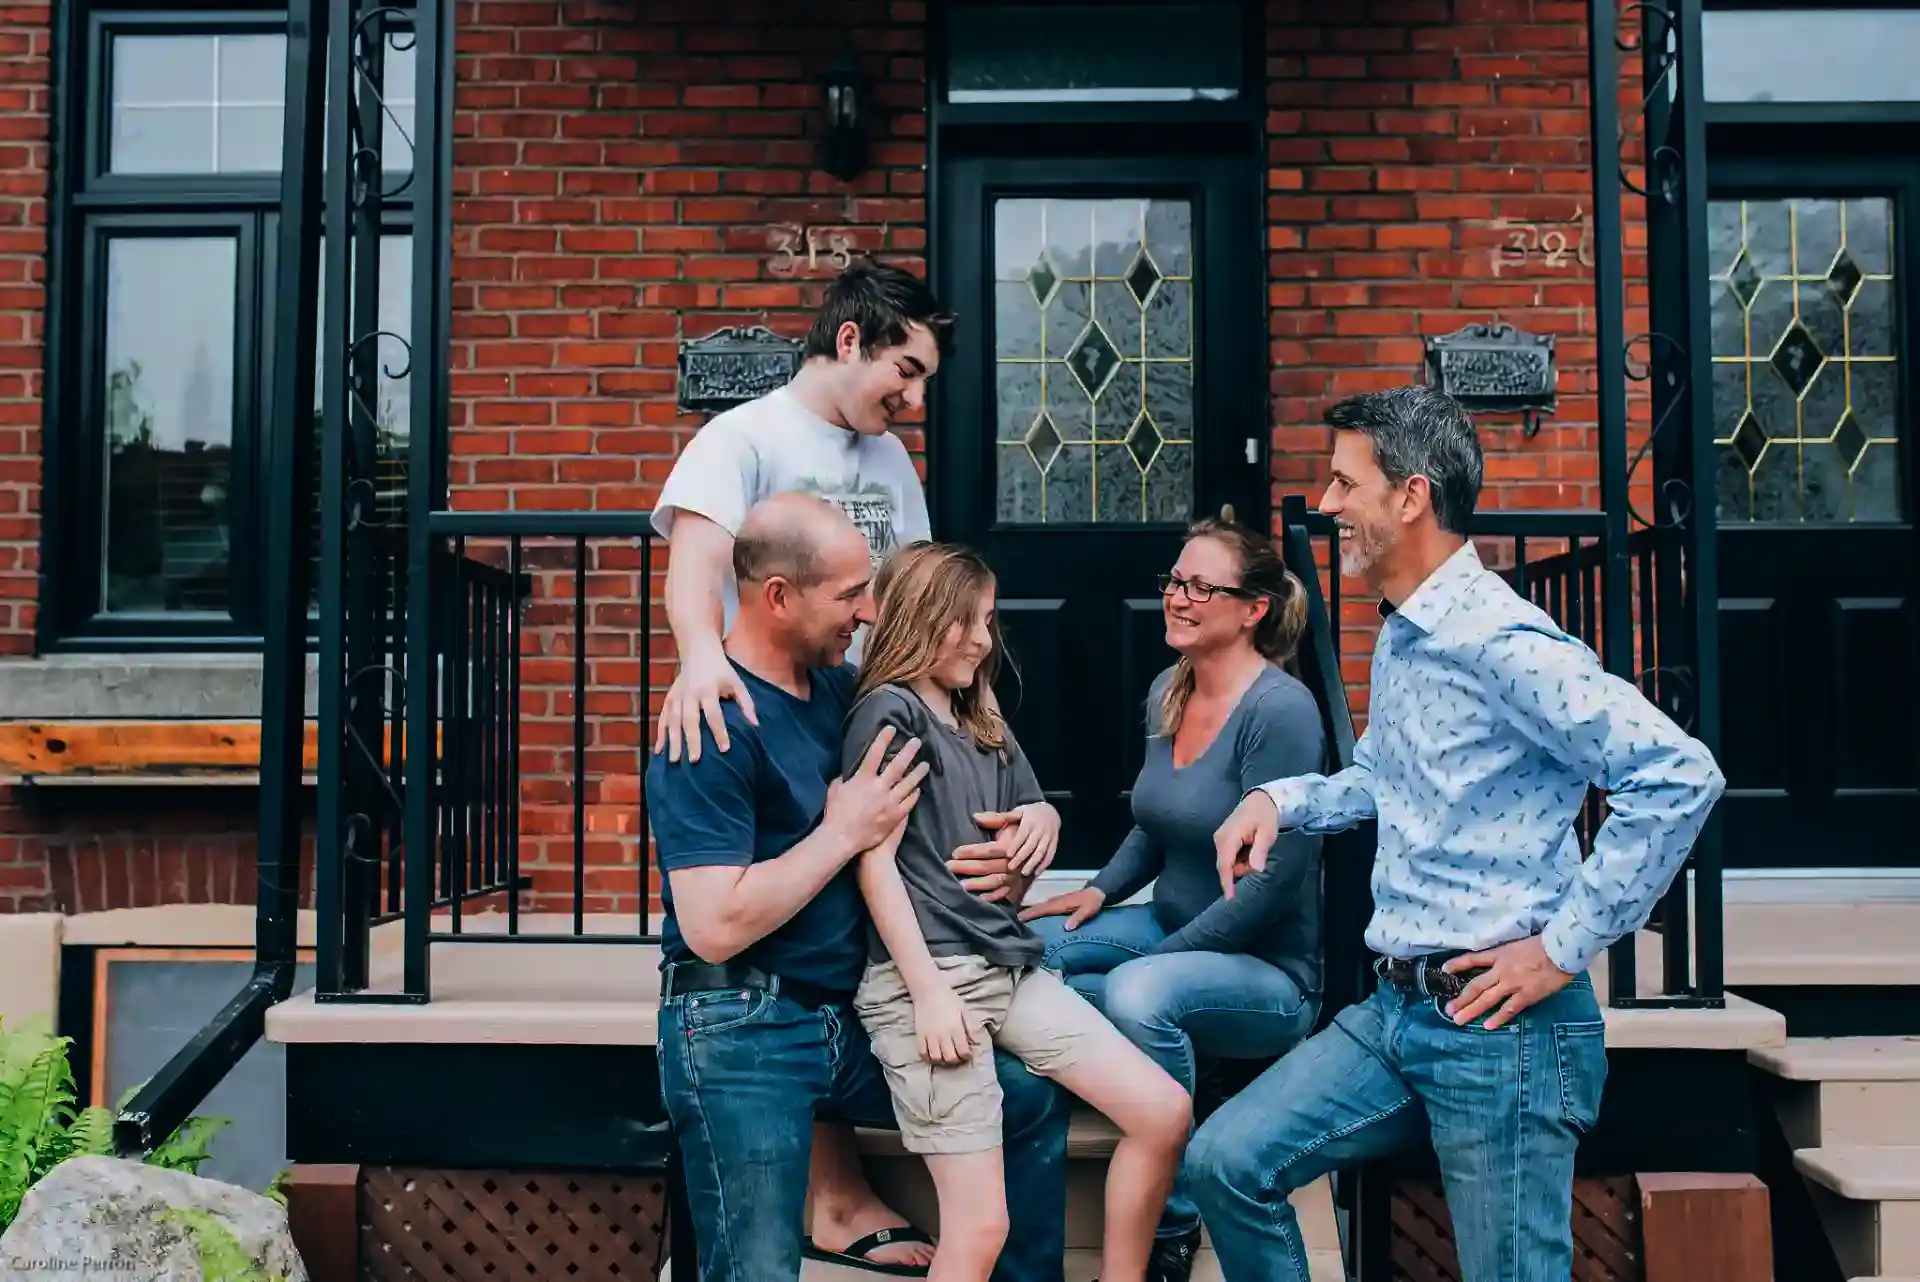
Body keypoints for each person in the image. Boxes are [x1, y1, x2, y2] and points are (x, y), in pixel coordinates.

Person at [1192, 386, 1727, 1282]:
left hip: (1504, 1029)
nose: (1325, 508)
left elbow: (1678, 774)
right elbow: (1390, 780)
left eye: (1342, 484)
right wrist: (1283, 801)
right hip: (1396, 1012)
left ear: (1411, 496)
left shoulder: (1504, 641)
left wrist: (1563, 947)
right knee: (1227, 1163)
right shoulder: (1406, 632)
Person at [647, 494, 1072, 1282]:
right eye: (849, 595)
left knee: (1027, 1099)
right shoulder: (709, 727)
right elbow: (712, 925)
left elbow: (973, 742)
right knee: (757, 1270)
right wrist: (839, 833)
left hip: (850, 1016)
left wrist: (1037, 816)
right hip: (741, 1025)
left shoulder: (844, 693)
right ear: (778, 596)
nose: (870, 611)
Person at [846, 541, 1193, 1282]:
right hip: (929, 981)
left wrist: (1044, 820)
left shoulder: (976, 710)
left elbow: (1030, 800)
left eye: (988, 621)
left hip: (1008, 968)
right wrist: (929, 995)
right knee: (981, 1229)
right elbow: (872, 863)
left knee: (1163, 1113)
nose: (982, 639)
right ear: (919, 618)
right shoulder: (892, 712)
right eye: (965, 622)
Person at [1018, 514, 1328, 1282]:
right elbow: (1154, 823)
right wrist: (1094, 892)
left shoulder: (1281, 711)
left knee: (1135, 990)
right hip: (1169, 922)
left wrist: (1156, 961)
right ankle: (1160, 1065)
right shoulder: (1170, 686)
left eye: (1199, 586)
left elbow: (1273, 882)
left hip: (1267, 968)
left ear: (1252, 610)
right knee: (1032, 952)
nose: (1176, 599)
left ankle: (1175, 1209)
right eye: (1174, 582)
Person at [651, 258, 946, 766]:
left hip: (875, 720)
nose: (917, 399)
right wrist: (700, 658)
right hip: (774, 724)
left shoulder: (892, 456)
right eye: (905, 371)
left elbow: (917, 587)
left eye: (926, 381)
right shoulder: (740, 439)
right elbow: (696, 564)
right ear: (850, 341)